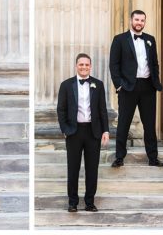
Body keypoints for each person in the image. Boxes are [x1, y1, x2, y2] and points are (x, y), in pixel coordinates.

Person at [109, 10, 163, 167]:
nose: (139, 22)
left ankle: (153, 157)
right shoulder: (119, 40)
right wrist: (119, 85)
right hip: (128, 87)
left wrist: (155, 81)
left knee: (149, 124)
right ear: (131, 20)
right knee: (123, 123)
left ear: (145, 22)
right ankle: (119, 157)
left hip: (147, 86)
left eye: (142, 20)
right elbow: (114, 64)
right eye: (137, 19)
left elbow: (154, 63)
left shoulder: (150, 39)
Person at [56, 53, 109, 212]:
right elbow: (61, 109)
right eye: (81, 64)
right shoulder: (66, 85)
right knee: (73, 168)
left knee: (92, 169)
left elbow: (102, 110)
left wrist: (105, 130)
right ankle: (72, 202)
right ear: (76, 66)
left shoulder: (98, 85)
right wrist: (65, 129)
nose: (84, 67)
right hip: (74, 131)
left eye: (87, 65)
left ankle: (89, 202)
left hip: (93, 132)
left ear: (90, 66)